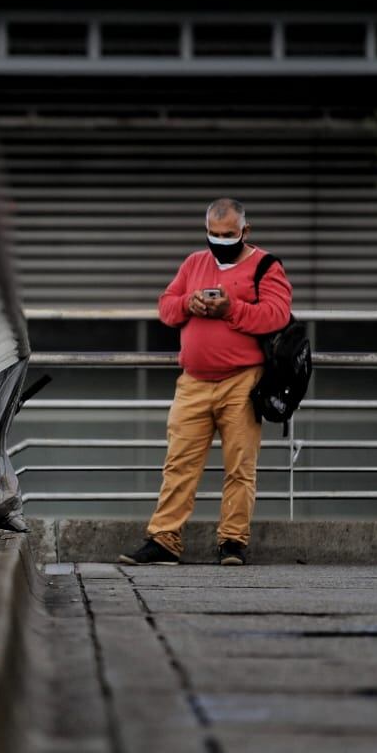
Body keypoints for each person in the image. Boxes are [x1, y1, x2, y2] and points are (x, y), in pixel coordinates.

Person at [118, 198, 292, 566]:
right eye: (213, 234)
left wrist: (232, 310)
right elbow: (166, 305)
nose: (220, 240)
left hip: (243, 381)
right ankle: (164, 540)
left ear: (245, 231)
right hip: (193, 382)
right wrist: (188, 304)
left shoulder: (265, 266)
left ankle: (232, 542)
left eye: (228, 234)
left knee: (240, 466)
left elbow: (277, 315)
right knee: (178, 463)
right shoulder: (194, 262)